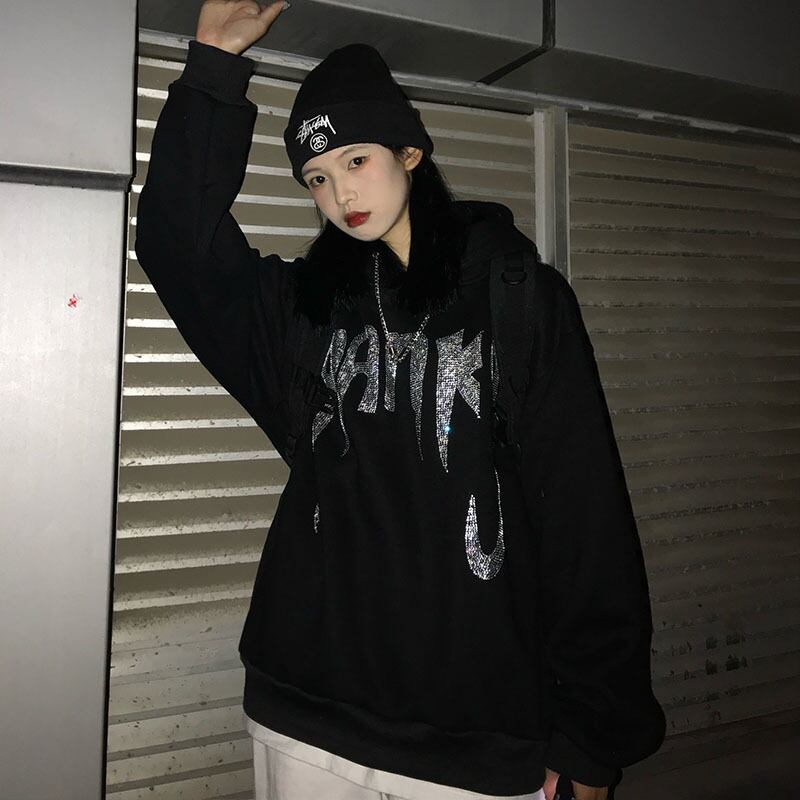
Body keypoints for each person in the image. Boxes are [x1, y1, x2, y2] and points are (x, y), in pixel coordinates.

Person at [134, 1, 667, 799]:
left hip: (476, 740)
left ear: (409, 151)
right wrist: (212, 67)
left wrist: (594, 737)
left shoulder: (517, 298)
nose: (339, 192)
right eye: (317, 178)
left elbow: (584, 519)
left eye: (355, 159)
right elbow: (178, 247)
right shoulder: (303, 313)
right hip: (305, 716)